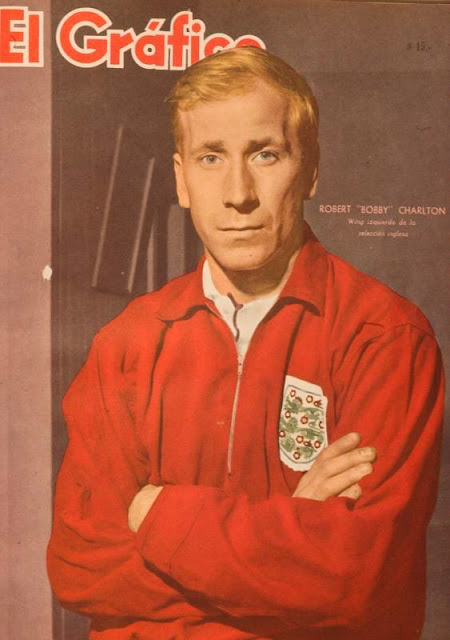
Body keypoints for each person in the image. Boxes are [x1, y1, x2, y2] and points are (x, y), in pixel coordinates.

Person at [47, 47, 444, 640]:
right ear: (181, 179)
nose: (238, 193)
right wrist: (292, 540)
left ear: (310, 170)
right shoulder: (127, 343)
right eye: (210, 157)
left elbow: (354, 577)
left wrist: (155, 511)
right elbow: (79, 565)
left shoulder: (385, 338)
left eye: (265, 154)